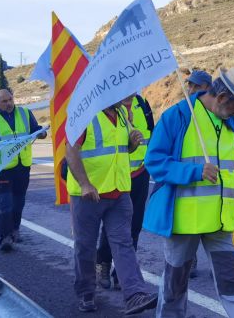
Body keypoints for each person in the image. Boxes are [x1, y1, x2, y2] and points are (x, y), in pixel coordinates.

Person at [144, 67, 234, 318]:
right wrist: (194, 172)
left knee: (232, 280)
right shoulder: (178, 116)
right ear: (220, 98)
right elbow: (154, 160)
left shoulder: (229, 119)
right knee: (175, 285)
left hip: (220, 220)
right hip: (185, 222)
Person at [65, 102, 157, 314]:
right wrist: (85, 184)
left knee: (124, 243)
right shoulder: (84, 112)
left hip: (118, 192)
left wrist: (132, 144)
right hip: (89, 195)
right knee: (85, 247)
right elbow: (70, 151)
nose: (128, 97)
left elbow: (121, 149)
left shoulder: (123, 113)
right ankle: (86, 293)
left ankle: (135, 295)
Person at [0, 88, 47, 252]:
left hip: (23, 166)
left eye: (10, 99)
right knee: (5, 203)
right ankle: (5, 237)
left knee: (18, 202)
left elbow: (35, 130)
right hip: (3, 168)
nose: (8, 104)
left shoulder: (25, 113)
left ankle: (15, 229)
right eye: (4, 101)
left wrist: (41, 133)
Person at [96, 93, 154, 290]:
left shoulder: (142, 104)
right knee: (112, 225)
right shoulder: (109, 104)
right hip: (116, 175)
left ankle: (122, 273)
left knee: (134, 225)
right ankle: (103, 263)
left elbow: (152, 134)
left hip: (139, 174)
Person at [183, 69, 213, 279]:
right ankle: (190, 259)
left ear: (206, 88)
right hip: (191, 183)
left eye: (195, 86)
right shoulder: (180, 113)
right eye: (189, 85)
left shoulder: (220, 112)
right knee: (192, 225)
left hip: (215, 187)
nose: (190, 89)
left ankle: (218, 265)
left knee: (215, 229)